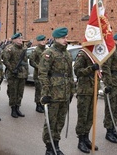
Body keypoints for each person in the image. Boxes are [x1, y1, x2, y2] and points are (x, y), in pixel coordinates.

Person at [39, 27, 75, 155]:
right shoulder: (49, 53)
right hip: (53, 94)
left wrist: (72, 91)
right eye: (63, 38)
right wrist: (46, 93)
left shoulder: (67, 54)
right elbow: (43, 74)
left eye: (66, 37)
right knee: (51, 122)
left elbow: (70, 75)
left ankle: (56, 145)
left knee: (60, 122)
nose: (66, 39)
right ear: (56, 38)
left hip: (64, 94)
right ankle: (49, 148)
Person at [102, 32, 117, 143]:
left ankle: (113, 129)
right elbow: (106, 69)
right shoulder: (111, 52)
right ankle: (108, 131)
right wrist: (108, 84)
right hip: (113, 85)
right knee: (110, 109)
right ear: (116, 41)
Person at [73, 50, 99, 153]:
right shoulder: (83, 54)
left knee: (91, 116)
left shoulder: (97, 54)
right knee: (83, 116)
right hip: (84, 90)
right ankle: (80, 140)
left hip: (94, 89)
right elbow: (77, 71)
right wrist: (91, 69)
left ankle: (86, 138)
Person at [2, 32, 28, 118]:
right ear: (14, 40)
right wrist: (12, 69)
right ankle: (13, 109)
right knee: (13, 92)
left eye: (21, 38)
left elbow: (25, 62)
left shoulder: (24, 48)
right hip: (13, 74)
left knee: (20, 92)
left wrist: (26, 72)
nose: (21, 40)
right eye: (19, 38)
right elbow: (6, 60)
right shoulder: (9, 48)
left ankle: (18, 107)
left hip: (22, 74)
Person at [29, 34, 47, 113]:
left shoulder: (46, 50)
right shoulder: (36, 50)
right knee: (38, 90)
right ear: (38, 41)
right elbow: (31, 61)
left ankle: (42, 104)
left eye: (44, 40)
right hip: (38, 74)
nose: (43, 42)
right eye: (41, 40)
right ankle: (38, 105)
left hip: (45, 74)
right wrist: (38, 67)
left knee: (44, 90)